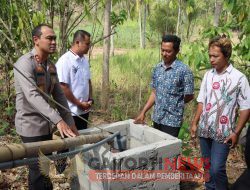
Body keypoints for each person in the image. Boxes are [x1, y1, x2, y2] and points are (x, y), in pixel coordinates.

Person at [14, 24, 79, 190]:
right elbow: (32, 96)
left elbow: (59, 96)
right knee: (37, 171)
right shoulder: (24, 64)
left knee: (45, 167)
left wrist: (69, 121)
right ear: (36, 40)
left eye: (55, 38)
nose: (54, 42)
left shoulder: (50, 66)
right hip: (31, 127)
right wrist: (58, 120)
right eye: (49, 38)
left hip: (46, 126)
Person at [191, 35, 250, 190]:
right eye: (210, 55)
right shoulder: (208, 75)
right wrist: (195, 122)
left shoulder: (238, 78)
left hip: (224, 133)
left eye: (215, 56)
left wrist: (236, 132)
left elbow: (246, 108)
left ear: (226, 55)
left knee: (217, 169)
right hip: (205, 130)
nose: (211, 59)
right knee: (207, 166)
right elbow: (202, 100)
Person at [134, 34, 194, 137]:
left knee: (168, 152)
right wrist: (143, 112)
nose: (164, 54)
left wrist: (175, 103)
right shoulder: (157, 68)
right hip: (157, 118)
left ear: (177, 51)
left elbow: (189, 96)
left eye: (168, 51)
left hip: (172, 121)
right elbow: (154, 93)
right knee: (156, 149)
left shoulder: (184, 70)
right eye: (162, 50)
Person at [56, 30, 93, 130]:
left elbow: (88, 81)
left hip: (84, 110)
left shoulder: (84, 60)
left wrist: (90, 99)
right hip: (70, 112)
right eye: (87, 44)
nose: (89, 46)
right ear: (77, 42)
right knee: (71, 141)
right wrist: (78, 103)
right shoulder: (65, 61)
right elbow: (63, 87)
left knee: (82, 140)